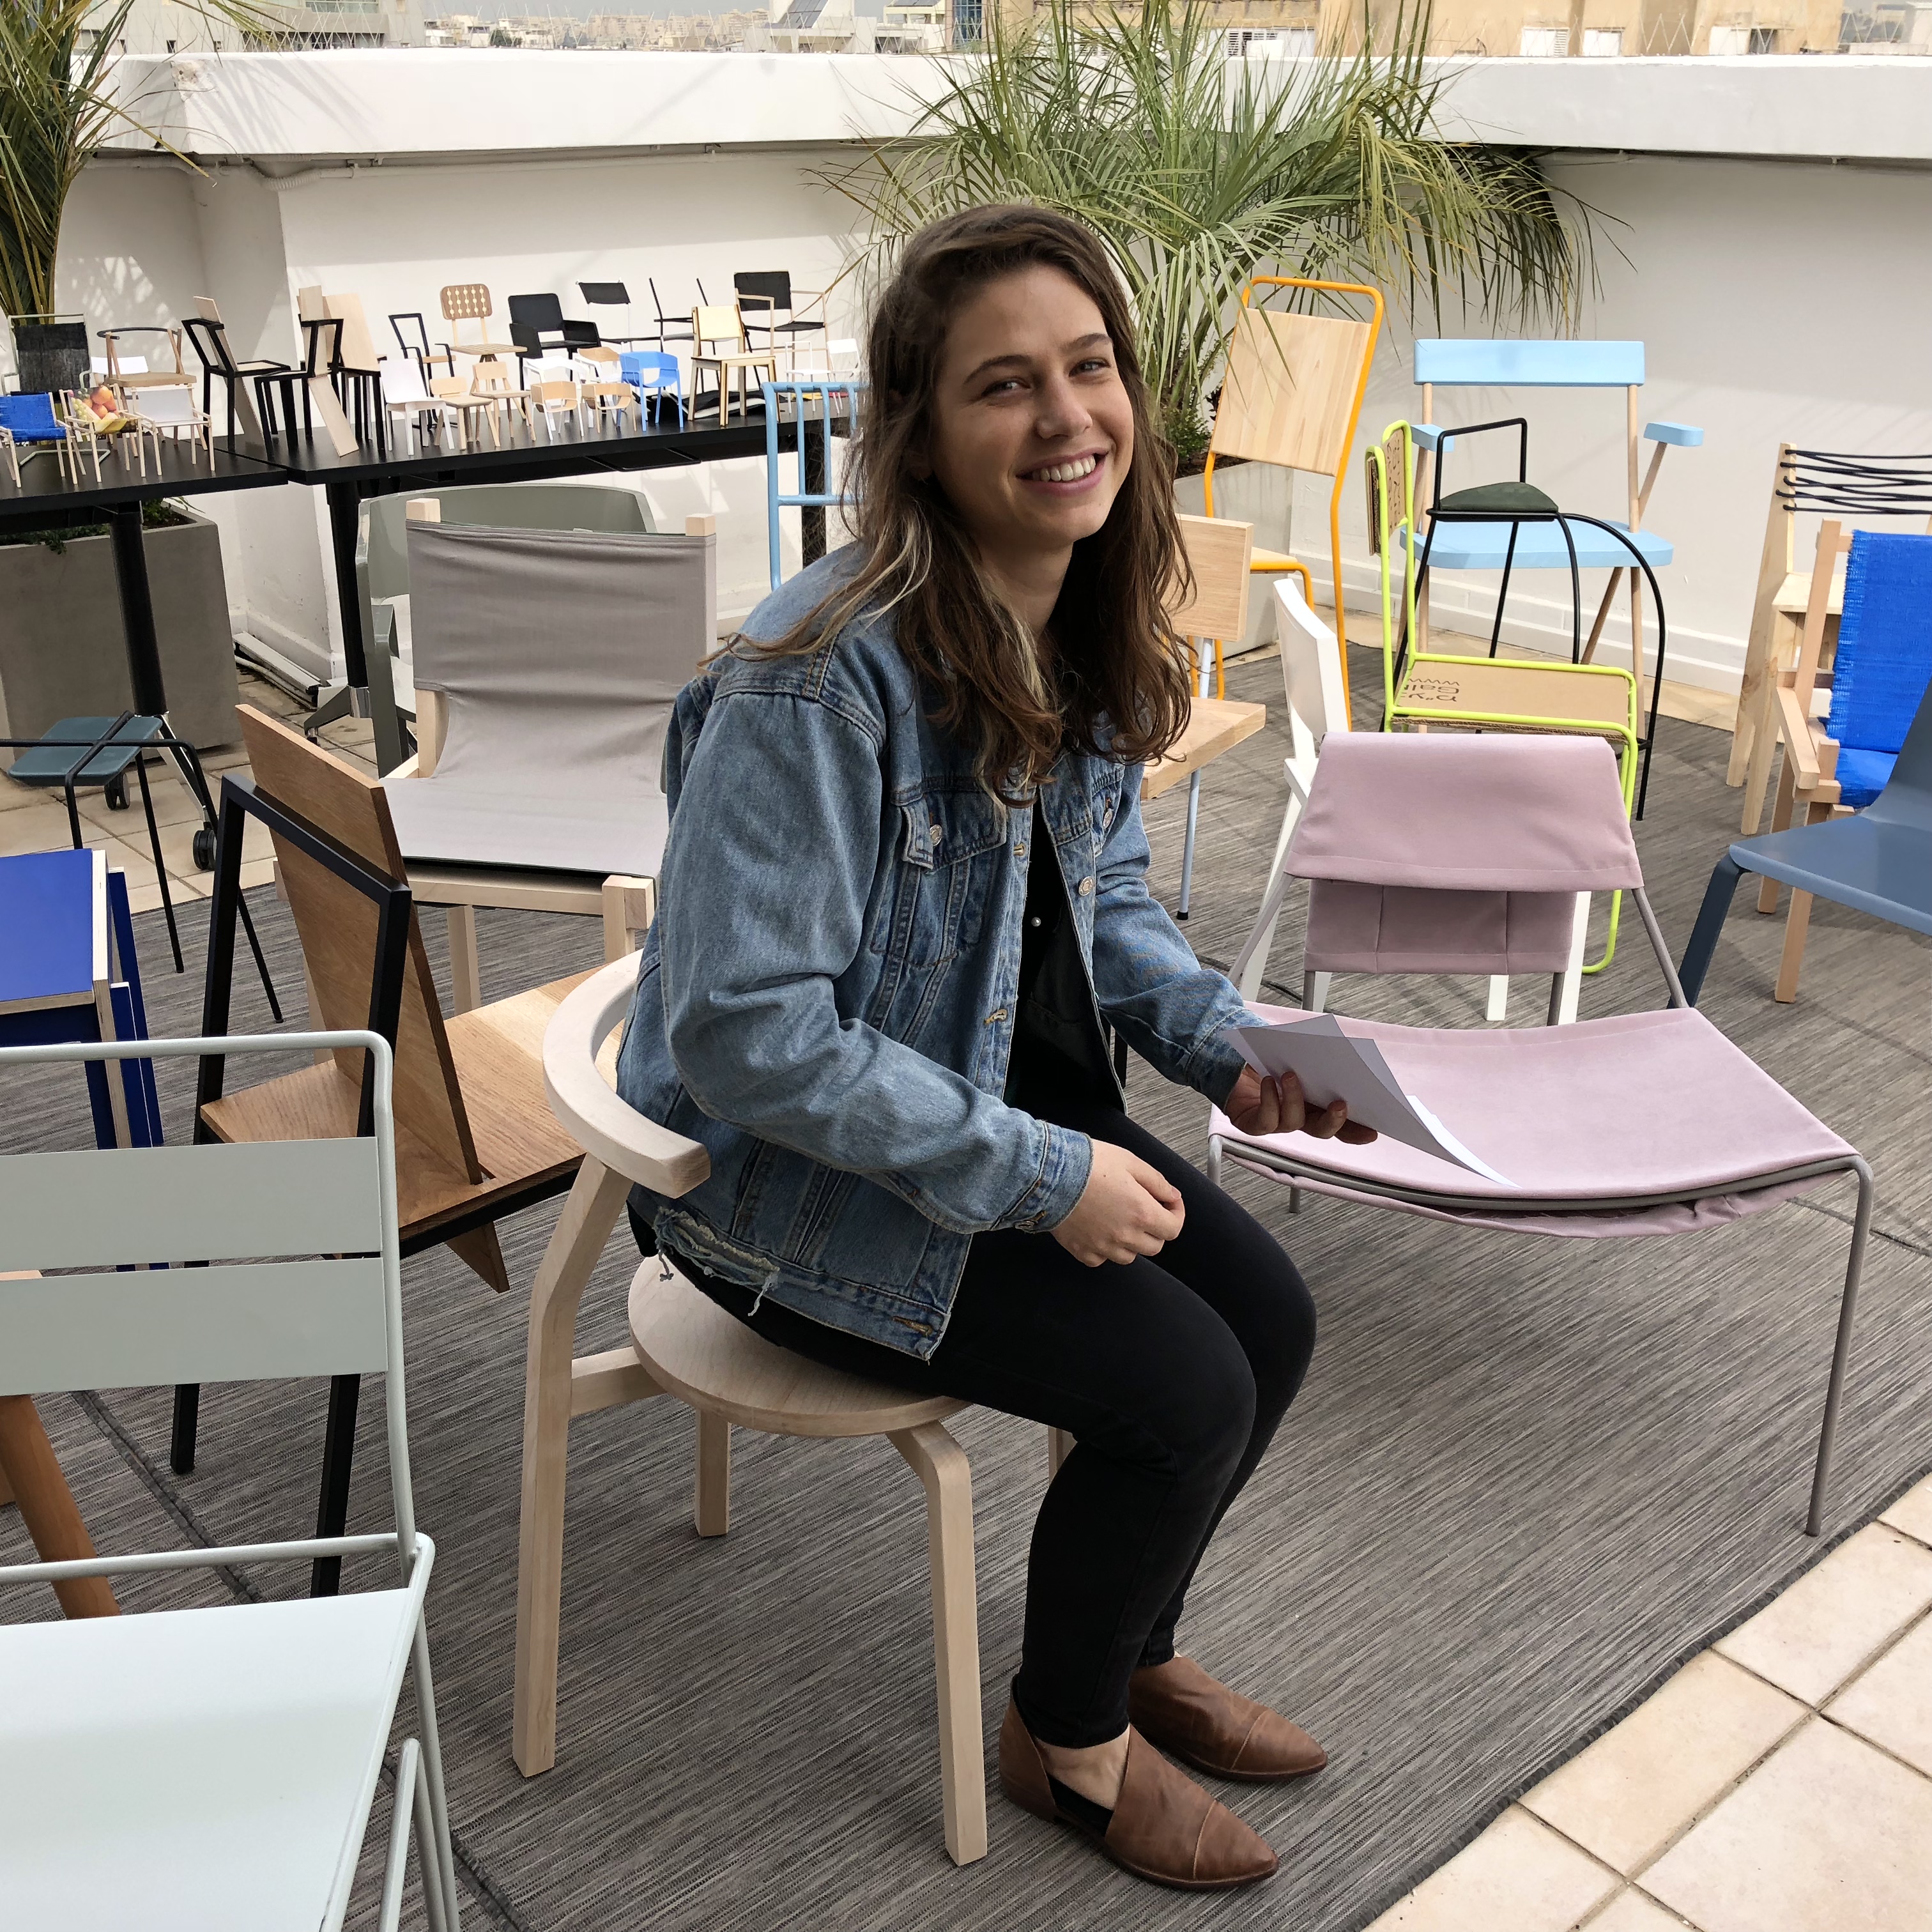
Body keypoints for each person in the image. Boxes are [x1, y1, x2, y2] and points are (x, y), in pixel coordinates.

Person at [617, 204, 1373, 1891]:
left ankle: (1125, 1647)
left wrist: (1225, 1045)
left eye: (1090, 368)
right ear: (918, 437)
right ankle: (1070, 1743)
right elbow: (749, 1041)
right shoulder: (812, 679)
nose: (1066, 417)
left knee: (1272, 1316)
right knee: (1185, 1393)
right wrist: (1046, 1175)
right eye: (1003, 387)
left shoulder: (1077, 616)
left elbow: (1100, 900)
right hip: (783, 1187)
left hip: (966, 1099)